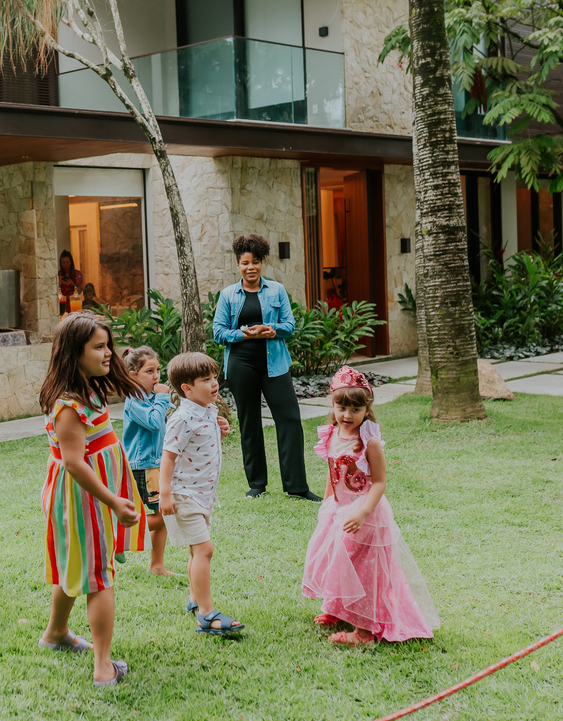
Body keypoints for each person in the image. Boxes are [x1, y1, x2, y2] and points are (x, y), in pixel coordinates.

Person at [38, 312, 146, 687]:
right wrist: (113, 501)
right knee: (100, 576)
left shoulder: (90, 387)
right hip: (84, 496)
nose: (107, 354)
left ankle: (55, 633)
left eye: (108, 346)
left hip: (94, 493)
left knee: (80, 566)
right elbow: (73, 464)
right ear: (74, 353)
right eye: (98, 347)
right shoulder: (69, 405)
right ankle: (103, 667)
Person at [302, 366, 440, 645]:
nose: (347, 415)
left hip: (366, 513)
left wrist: (363, 511)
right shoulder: (330, 435)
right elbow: (333, 472)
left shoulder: (369, 443)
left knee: (361, 569)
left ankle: (364, 633)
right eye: (341, 407)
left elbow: (379, 482)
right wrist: (328, 504)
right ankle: (336, 608)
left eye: (355, 409)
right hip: (338, 511)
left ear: (367, 409)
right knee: (337, 560)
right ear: (332, 405)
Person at [212, 234, 318, 500]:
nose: (251, 267)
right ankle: (257, 484)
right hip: (241, 364)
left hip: (275, 364)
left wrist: (270, 330)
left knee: (290, 419)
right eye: (245, 263)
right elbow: (218, 332)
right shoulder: (228, 295)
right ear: (238, 265)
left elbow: (290, 326)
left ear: (262, 264)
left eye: (256, 262)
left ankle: (297, 486)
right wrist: (244, 334)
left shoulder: (276, 290)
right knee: (250, 423)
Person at [159, 352, 242, 636]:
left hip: (202, 495)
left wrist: (220, 431)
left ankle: (195, 599)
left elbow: (199, 446)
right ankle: (206, 615)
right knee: (205, 550)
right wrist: (165, 494)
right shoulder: (182, 418)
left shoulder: (205, 410)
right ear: (187, 388)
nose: (214, 383)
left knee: (198, 550)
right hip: (184, 495)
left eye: (214, 377)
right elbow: (168, 457)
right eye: (205, 379)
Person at [122, 346, 176, 576]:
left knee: (162, 515)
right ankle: (119, 539)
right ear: (133, 374)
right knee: (162, 515)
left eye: (158, 370)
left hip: (157, 462)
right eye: (150, 371)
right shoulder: (134, 398)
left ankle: (157, 565)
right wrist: (163, 396)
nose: (156, 376)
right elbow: (154, 422)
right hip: (145, 465)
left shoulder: (150, 396)